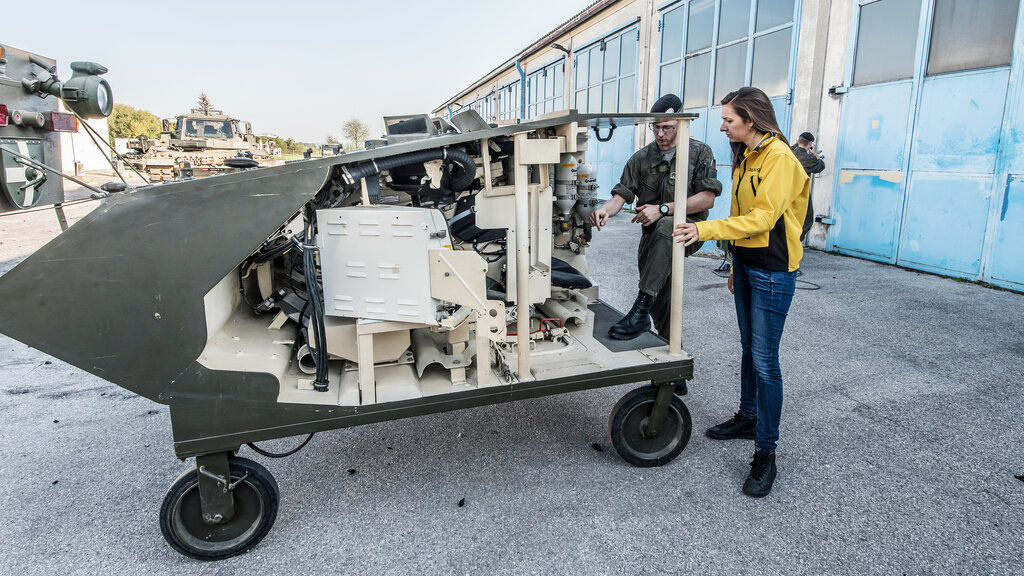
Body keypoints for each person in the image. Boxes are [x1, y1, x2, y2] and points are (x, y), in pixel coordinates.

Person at [674, 86, 809, 498]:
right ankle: (748, 417)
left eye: (729, 119)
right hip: (749, 266)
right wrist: (733, 262)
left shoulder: (780, 158)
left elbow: (764, 219)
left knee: (766, 361)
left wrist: (705, 229)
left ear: (750, 120)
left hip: (773, 270)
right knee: (750, 350)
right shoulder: (747, 155)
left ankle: (766, 452)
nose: (722, 125)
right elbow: (739, 213)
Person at [589, 94, 722, 344]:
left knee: (665, 225)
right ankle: (672, 377)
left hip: (688, 230)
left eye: (667, 127)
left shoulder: (699, 152)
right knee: (663, 306)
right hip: (653, 239)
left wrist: (662, 209)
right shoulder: (641, 158)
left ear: (681, 125)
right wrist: (606, 209)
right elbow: (621, 195)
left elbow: (707, 199)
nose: (660, 134)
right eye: (656, 127)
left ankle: (639, 310)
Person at [790, 131, 825, 242]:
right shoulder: (808, 158)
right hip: (801, 192)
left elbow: (792, 147)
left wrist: (797, 144)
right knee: (807, 218)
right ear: (810, 143)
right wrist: (815, 153)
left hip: (786, 190)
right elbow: (820, 165)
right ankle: (795, 242)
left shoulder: (790, 152)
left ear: (798, 140)